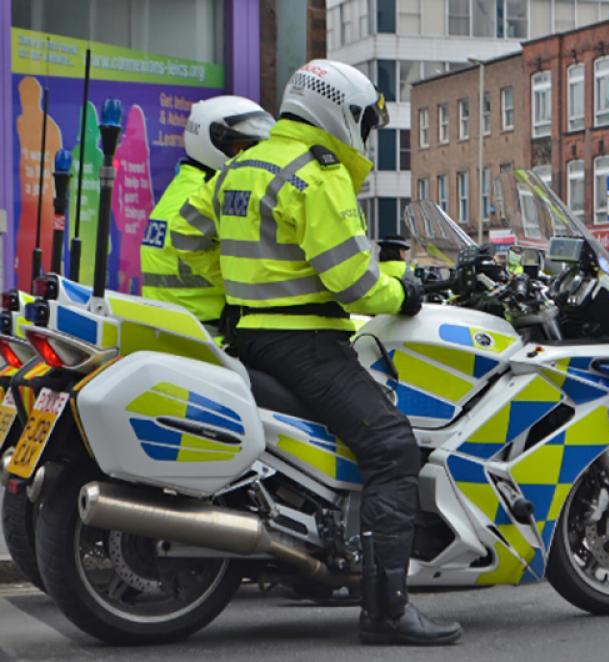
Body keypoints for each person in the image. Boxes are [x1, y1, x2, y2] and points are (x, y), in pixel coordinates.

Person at [172, 59, 461, 645]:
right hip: (304, 341)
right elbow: (354, 283)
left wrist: (240, 286)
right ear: (339, 111)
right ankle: (385, 612)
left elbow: (185, 239)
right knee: (391, 449)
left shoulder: (239, 166)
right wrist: (403, 291)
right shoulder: (317, 173)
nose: (365, 134)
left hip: (248, 335)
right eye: (363, 121)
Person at [141, 96, 275, 328]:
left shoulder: (181, 190)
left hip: (172, 332)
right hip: (213, 336)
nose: (251, 157)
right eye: (241, 148)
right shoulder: (214, 197)